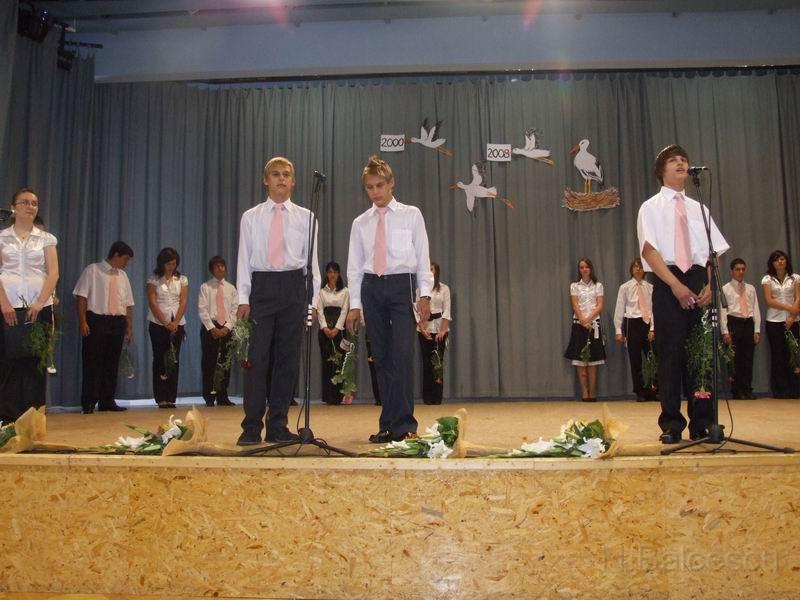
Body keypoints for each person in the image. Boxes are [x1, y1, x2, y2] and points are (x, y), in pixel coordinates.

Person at [637, 144, 729, 444]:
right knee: (670, 354)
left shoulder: (699, 208)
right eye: (673, 160)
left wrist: (710, 285)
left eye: (684, 160)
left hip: (699, 279)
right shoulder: (650, 207)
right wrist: (675, 285)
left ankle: (703, 421)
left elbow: (713, 253)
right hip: (668, 281)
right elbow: (649, 251)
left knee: (701, 355)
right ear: (661, 170)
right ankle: (671, 422)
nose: (681, 163)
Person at [345, 155, 433, 443]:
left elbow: (423, 257)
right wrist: (355, 306)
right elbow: (354, 268)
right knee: (381, 357)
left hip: (401, 286)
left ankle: (405, 424)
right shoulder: (360, 223)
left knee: (402, 355)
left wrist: (425, 294)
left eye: (380, 185)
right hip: (372, 288)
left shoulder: (411, 215)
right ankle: (387, 423)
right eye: (370, 187)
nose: (375, 192)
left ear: (391, 183)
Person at [236, 156, 321, 445]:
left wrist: (313, 302)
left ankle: (277, 424)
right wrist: (243, 297)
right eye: (275, 174)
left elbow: (312, 264)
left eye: (286, 174)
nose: (281, 178)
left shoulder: (307, 217)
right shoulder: (251, 217)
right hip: (262, 286)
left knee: (287, 360)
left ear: (293, 181)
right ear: (266, 180)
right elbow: (244, 259)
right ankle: (251, 426)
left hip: (294, 288)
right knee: (257, 360)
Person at [0, 188, 59, 423]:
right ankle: (7, 419)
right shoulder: (2, 237)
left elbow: (53, 273)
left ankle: (33, 419)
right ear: (13, 207)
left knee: (35, 364)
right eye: (24, 202)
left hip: (38, 308)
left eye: (34, 203)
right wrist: (4, 303)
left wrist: (40, 303)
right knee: (8, 362)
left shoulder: (46, 239)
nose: (30, 206)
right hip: (7, 307)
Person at [73, 241, 135, 414]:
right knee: (92, 362)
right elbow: (81, 298)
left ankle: (107, 400)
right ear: (116, 255)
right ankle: (89, 401)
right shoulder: (92, 270)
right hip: (97, 320)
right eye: (125, 259)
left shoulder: (123, 276)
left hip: (118, 321)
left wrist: (129, 327)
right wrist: (83, 321)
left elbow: (128, 304)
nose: (126, 263)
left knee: (112, 363)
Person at [146, 247, 188, 409]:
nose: (172, 266)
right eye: (169, 263)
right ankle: (161, 397)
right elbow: (152, 302)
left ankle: (171, 397)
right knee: (159, 359)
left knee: (173, 359)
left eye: (174, 263)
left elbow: (183, 301)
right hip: (158, 324)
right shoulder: (154, 279)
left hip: (177, 323)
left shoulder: (181, 280)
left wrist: (175, 322)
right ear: (162, 263)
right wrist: (165, 322)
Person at [563, 258, 606, 402]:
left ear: (590, 268)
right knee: (580, 361)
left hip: (593, 325)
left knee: (593, 361)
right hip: (579, 324)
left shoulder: (598, 285)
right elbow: (575, 305)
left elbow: (600, 305)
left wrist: (588, 320)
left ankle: (592, 391)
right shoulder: (574, 286)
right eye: (581, 267)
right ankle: (584, 392)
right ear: (579, 270)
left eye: (586, 267)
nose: (584, 269)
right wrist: (582, 320)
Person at [613, 258, 655, 402]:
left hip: (647, 323)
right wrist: (618, 330)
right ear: (631, 269)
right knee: (635, 360)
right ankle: (640, 391)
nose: (638, 269)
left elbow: (653, 309)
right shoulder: (625, 287)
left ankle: (653, 389)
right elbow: (620, 307)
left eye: (640, 267)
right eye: (635, 267)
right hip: (632, 323)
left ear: (645, 270)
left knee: (651, 358)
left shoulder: (650, 287)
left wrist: (653, 328)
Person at [198, 255, 238, 407]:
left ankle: (222, 395)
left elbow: (235, 310)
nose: (221, 269)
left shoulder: (231, 288)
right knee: (209, 362)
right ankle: (209, 396)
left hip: (227, 328)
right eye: (217, 266)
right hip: (210, 328)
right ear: (211, 270)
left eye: (222, 266)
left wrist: (227, 327)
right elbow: (202, 310)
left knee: (225, 363)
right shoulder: (205, 287)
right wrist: (212, 328)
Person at [761, 250, 800, 399]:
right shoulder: (767, 279)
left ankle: (794, 389)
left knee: (793, 354)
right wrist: (790, 308)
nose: (780, 262)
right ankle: (780, 390)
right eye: (776, 260)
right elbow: (769, 300)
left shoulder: (795, 278)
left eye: (782, 259)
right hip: (774, 321)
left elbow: (797, 297)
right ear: (772, 263)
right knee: (778, 355)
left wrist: (792, 315)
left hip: (793, 320)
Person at [720, 258, 761, 399]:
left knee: (748, 358)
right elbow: (722, 311)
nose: (741, 272)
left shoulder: (750, 288)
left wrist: (756, 330)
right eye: (737, 269)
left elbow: (755, 309)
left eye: (743, 269)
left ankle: (747, 389)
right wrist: (725, 331)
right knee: (734, 358)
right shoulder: (725, 289)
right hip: (734, 322)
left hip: (748, 323)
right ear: (732, 271)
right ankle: (737, 390)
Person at [417, 261, 451, 405]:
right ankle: (427, 397)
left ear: (436, 272)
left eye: (431, 269)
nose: (429, 271)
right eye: (427, 269)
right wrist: (422, 329)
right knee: (426, 363)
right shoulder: (420, 290)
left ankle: (437, 396)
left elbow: (447, 310)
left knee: (438, 363)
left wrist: (442, 330)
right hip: (424, 330)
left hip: (439, 330)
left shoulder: (444, 289)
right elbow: (417, 311)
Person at [316, 261, 350, 405]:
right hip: (325, 331)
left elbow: (345, 311)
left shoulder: (345, 291)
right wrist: (325, 328)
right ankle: (328, 396)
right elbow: (319, 311)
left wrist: (337, 328)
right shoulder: (321, 292)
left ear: (339, 274)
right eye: (330, 272)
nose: (332, 275)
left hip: (339, 331)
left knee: (339, 362)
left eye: (335, 272)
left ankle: (338, 396)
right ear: (326, 274)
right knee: (327, 362)